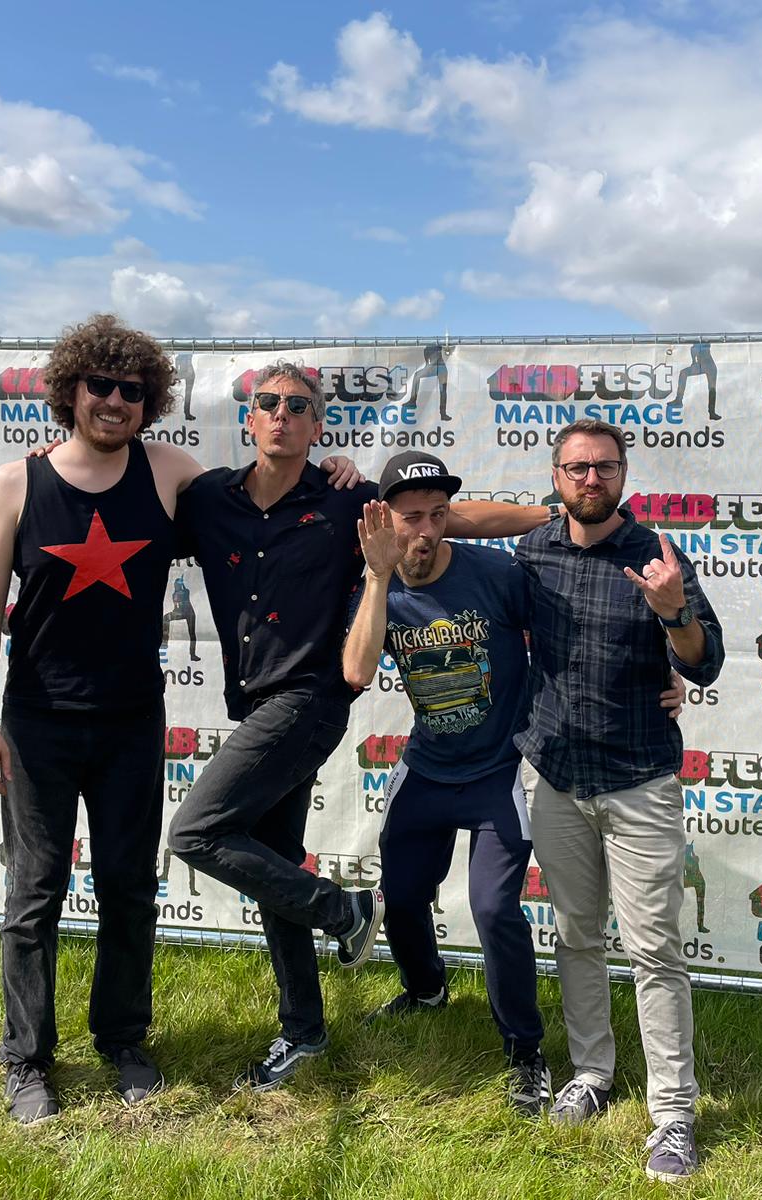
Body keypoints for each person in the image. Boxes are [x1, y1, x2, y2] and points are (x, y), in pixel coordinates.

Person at [167, 364, 546, 1091]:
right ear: (250, 418)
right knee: (270, 862)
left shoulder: (349, 502)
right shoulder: (211, 498)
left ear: (318, 427)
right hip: (251, 702)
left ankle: (343, 910)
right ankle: (303, 1031)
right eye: (268, 404)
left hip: (306, 701)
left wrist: (552, 515)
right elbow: (144, 498)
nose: (282, 415)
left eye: (299, 407)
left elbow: (454, 518)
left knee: (195, 833)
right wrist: (56, 468)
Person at [0, 315, 194, 1125]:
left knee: (130, 890)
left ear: (149, 400)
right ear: (70, 391)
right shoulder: (15, 484)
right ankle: (25, 1058)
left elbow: (261, 509)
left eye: (133, 391)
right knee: (35, 892)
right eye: (101, 386)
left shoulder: (168, 472)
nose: (116, 402)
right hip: (38, 723)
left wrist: (331, 472)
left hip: (133, 721)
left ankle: (123, 1039)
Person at [516, 418, 724, 1181]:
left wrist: (675, 614)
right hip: (556, 775)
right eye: (577, 468)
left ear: (625, 474)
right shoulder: (532, 549)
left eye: (604, 468)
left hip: (638, 779)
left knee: (653, 950)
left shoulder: (660, 556)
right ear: (557, 474)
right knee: (575, 936)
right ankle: (592, 1076)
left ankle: (673, 1115)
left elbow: (704, 666)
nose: (590, 480)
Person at [340, 452, 551, 1114]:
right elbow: (356, 670)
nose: (426, 532)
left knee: (494, 910)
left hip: (495, 773)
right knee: (401, 896)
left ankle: (525, 1051)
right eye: (410, 519)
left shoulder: (494, 573)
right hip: (428, 767)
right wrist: (378, 579)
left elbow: (564, 629)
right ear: (383, 522)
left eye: (438, 517)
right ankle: (426, 989)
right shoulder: (378, 589)